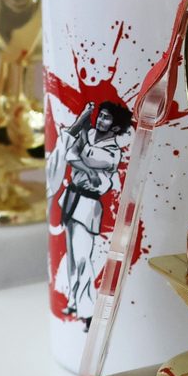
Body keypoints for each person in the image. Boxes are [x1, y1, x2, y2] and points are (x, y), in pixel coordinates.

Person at [50, 100, 131, 327]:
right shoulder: (91, 135)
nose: (101, 120)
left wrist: (84, 130)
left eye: (106, 118)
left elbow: (86, 155)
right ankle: (74, 302)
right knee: (72, 256)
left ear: (116, 127)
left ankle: (87, 310)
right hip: (72, 197)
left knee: (83, 257)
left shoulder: (113, 152)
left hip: (88, 205)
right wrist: (88, 170)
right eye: (100, 115)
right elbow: (70, 156)